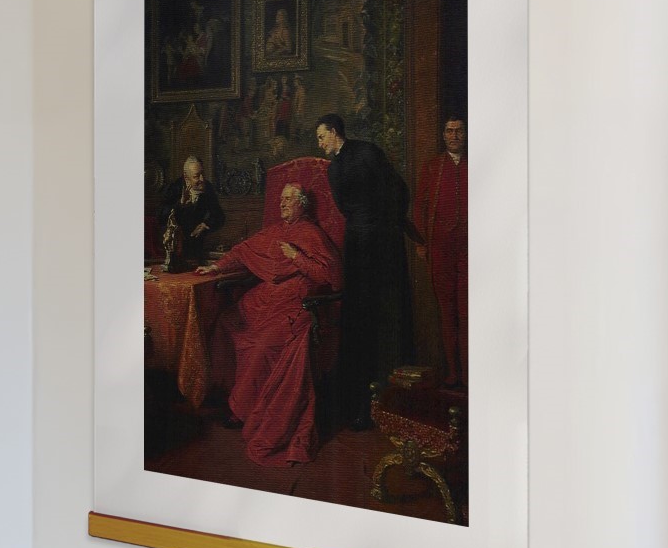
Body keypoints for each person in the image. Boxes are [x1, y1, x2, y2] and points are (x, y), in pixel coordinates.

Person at [197, 184, 343, 465]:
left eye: (288, 199)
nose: (282, 203)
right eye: (281, 199)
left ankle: (246, 412)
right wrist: (216, 267)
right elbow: (242, 251)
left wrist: (296, 257)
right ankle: (235, 402)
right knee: (227, 323)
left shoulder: (311, 234)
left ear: (302, 204)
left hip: (295, 302)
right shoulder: (274, 231)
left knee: (262, 345)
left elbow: (331, 276)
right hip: (265, 299)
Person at [315, 113, 418, 429]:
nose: (319, 143)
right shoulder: (335, 168)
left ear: (334, 132)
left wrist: (385, 223)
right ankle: (362, 403)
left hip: (382, 243)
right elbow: (348, 207)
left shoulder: (367, 152)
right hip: (360, 245)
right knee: (361, 317)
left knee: (387, 314)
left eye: (321, 136)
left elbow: (396, 189)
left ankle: (393, 399)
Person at [413, 116, 468, 390]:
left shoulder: (476, 164)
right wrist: (422, 243)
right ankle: (453, 373)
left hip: (470, 250)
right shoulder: (433, 167)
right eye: (449, 131)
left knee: (468, 311)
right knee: (447, 313)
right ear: (444, 135)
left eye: (459, 131)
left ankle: (470, 374)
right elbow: (419, 207)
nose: (454, 136)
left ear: (465, 135)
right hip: (440, 250)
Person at [159, 157, 225, 263]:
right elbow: (161, 217)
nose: (202, 179)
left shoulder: (207, 187)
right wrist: (180, 204)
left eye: (202, 174)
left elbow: (219, 216)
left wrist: (205, 224)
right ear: (186, 177)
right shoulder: (175, 188)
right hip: (172, 247)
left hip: (197, 247)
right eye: (196, 176)